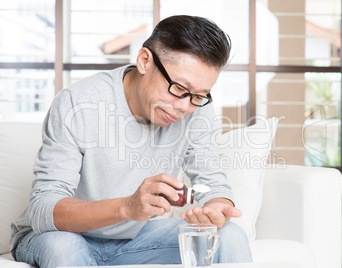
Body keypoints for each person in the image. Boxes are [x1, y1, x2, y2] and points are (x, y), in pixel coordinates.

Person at [10, 15, 252, 267]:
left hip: (135, 240)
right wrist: (127, 207)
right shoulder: (78, 102)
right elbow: (43, 209)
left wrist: (216, 209)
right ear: (145, 61)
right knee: (65, 247)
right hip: (62, 236)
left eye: (199, 96)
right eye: (179, 89)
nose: (185, 107)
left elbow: (214, 184)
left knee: (230, 235)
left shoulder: (196, 110)